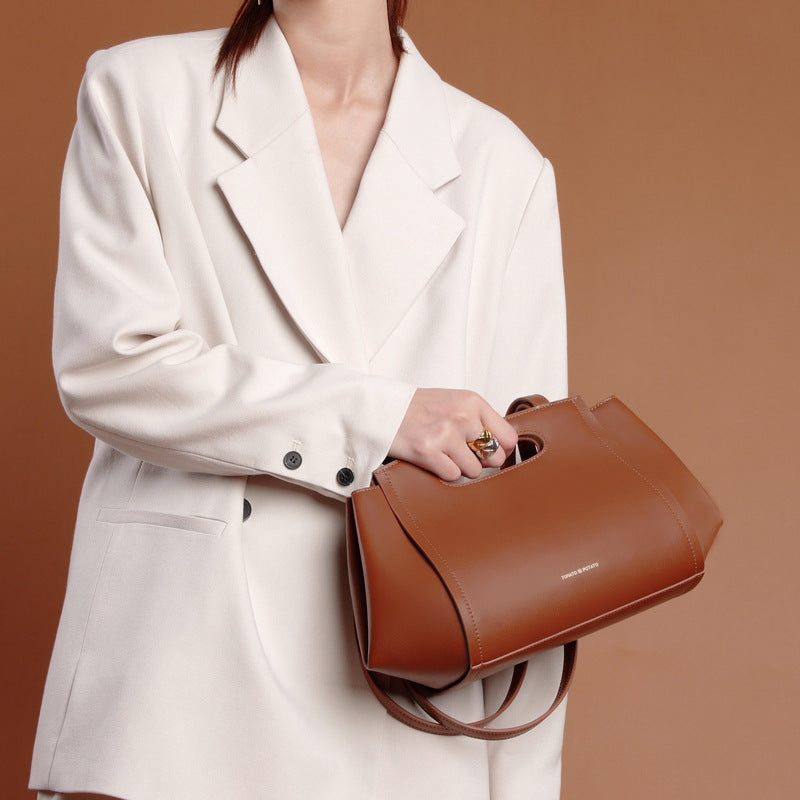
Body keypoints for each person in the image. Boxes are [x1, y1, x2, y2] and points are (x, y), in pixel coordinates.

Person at [30, 1, 569, 798]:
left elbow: (530, 527)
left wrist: (520, 786)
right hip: (173, 700)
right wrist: (381, 418)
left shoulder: (500, 166)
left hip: (402, 718)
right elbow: (112, 365)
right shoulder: (142, 91)